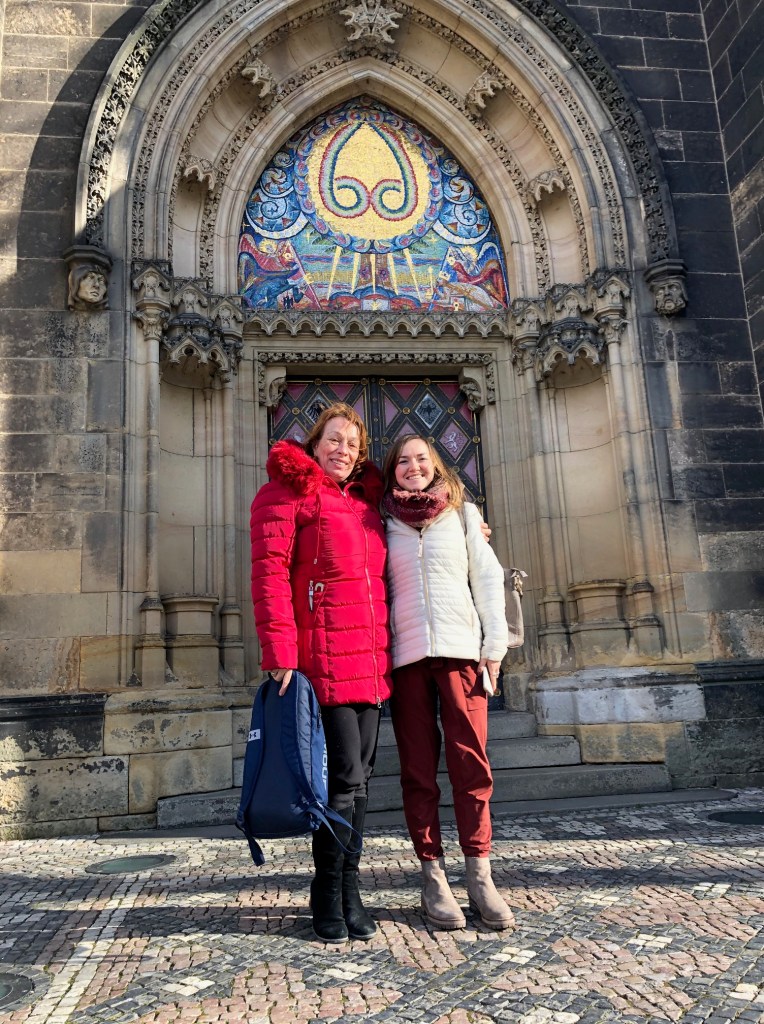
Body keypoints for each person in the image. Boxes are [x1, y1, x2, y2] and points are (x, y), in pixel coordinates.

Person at [250, 403, 391, 943]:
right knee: (343, 780)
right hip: (322, 660)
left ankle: (347, 892)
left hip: (370, 661)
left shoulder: (364, 504)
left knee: (360, 781)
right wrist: (280, 652)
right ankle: (328, 893)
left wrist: (472, 527)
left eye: (353, 444)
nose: (343, 450)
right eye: (334, 439)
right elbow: (268, 572)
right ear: (313, 444)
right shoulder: (287, 493)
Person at [382, 434, 514, 931]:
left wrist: (494, 648)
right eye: (403, 461)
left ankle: (480, 874)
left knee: (470, 765)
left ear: (435, 465)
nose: (412, 467)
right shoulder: (381, 521)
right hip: (407, 658)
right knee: (418, 771)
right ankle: (432, 875)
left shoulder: (462, 515)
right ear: (392, 470)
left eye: (421, 459)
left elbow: (488, 578)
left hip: (461, 655)